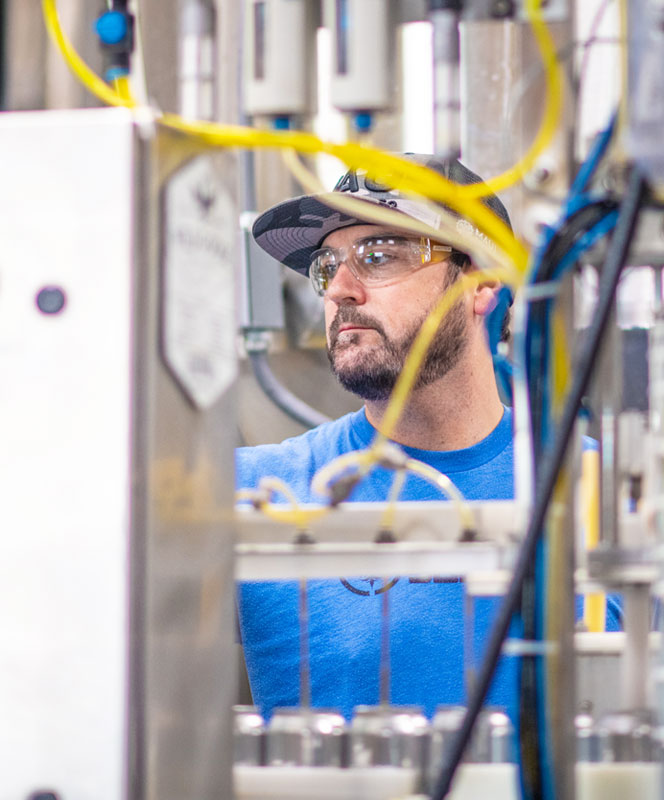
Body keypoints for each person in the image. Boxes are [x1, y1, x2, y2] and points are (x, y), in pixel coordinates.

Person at [236, 155, 522, 722]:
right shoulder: (255, 492)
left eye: (379, 256)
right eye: (327, 265)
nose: (339, 289)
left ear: (480, 287)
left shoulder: (603, 492)